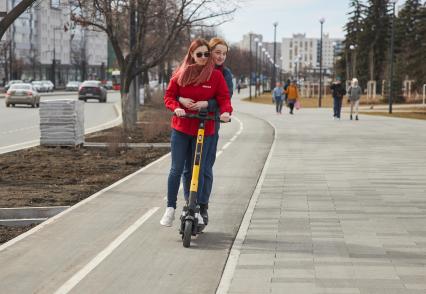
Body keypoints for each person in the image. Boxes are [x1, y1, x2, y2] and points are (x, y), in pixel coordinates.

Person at [161, 39, 232, 227]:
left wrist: (226, 112)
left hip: (205, 128)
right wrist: (177, 106)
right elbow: (169, 96)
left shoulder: (216, 76)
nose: (203, 58)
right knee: (177, 169)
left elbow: (224, 97)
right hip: (182, 128)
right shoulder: (181, 74)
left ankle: (197, 208)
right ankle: (170, 208)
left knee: (197, 170)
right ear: (192, 55)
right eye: (199, 54)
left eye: (206, 54)